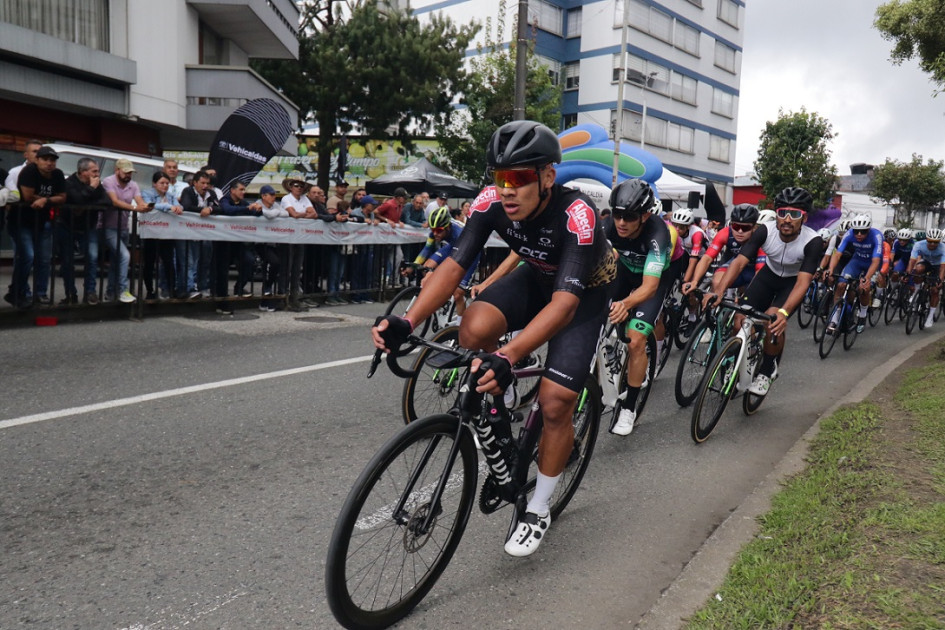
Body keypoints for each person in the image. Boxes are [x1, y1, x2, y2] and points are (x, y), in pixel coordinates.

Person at [372, 120, 615, 557]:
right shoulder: (490, 203)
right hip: (537, 278)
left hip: (583, 294)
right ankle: (496, 414)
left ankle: (538, 507)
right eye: (500, 177)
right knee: (474, 329)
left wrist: (509, 355)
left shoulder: (577, 214)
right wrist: (407, 323)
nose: (506, 190)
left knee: (557, 400)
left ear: (547, 177)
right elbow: (453, 268)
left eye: (519, 179)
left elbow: (564, 306)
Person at [708, 186, 823, 396]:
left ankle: (768, 370)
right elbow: (740, 262)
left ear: (804, 218)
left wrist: (784, 312)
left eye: (795, 214)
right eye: (782, 213)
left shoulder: (813, 241)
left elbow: (803, 282)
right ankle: (740, 359)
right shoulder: (765, 230)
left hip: (791, 283)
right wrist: (720, 290)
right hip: (767, 276)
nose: (787, 219)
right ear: (776, 215)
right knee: (739, 320)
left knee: (773, 322)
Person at [603, 179, 674, 436]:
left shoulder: (658, 234)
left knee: (635, 340)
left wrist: (625, 303)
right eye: (617, 214)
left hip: (653, 281)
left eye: (629, 217)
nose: (621, 222)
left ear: (644, 216)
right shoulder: (608, 226)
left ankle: (629, 407)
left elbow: (649, 288)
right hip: (625, 270)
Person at [10, 145, 65, 308]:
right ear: (37, 160)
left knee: (44, 259)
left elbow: (62, 197)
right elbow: (27, 196)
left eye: (52, 160)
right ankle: (17, 291)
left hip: (43, 221)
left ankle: (41, 293)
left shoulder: (58, 174)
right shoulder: (29, 171)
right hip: (21, 221)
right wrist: (49, 198)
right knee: (27, 256)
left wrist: (44, 200)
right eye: (45, 159)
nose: (49, 163)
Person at [410, 205, 480, 319]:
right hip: (452, 247)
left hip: (469, 251)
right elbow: (426, 249)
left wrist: (437, 273)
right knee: (427, 266)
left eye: (438, 231)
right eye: (433, 230)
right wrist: (413, 265)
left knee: (458, 294)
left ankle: (458, 328)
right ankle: (442, 297)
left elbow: (455, 260)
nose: (435, 233)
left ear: (448, 227)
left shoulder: (459, 233)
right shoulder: (436, 229)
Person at [683, 203, 765, 299]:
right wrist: (695, 281)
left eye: (745, 228)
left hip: (754, 269)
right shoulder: (725, 233)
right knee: (717, 281)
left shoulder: (760, 238)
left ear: (754, 228)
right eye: (736, 226)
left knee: (748, 298)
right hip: (735, 264)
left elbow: (760, 271)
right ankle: (713, 310)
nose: (740, 231)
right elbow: (707, 258)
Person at [61, 156, 108, 305]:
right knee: (67, 261)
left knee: (92, 258)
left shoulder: (97, 184)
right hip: (67, 226)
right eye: (94, 171)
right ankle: (70, 294)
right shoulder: (69, 183)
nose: (97, 174)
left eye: (98, 171)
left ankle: (90, 292)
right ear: (83, 172)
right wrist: (91, 189)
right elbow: (75, 199)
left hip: (89, 226)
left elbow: (107, 201)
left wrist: (87, 200)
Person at [825, 214, 883, 334]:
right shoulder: (849, 234)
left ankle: (862, 315)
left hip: (872, 263)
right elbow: (837, 254)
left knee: (864, 288)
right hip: (856, 261)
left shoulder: (876, 236)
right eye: (856, 232)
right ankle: (834, 319)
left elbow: (876, 261)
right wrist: (830, 269)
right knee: (841, 285)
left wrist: (866, 278)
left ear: (869, 230)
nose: (859, 235)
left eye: (863, 232)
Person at [101, 158, 148, 303]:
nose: (128, 175)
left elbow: (140, 200)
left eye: (130, 173)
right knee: (124, 256)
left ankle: (110, 292)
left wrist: (146, 206)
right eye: (126, 172)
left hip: (123, 227)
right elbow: (114, 201)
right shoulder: (108, 181)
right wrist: (134, 208)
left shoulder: (133, 184)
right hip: (108, 226)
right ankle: (122, 290)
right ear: (117, 171)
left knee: (117, 260)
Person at [211, 180, 262, 313]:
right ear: (232, 190)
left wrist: (257, 210)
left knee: (249, 261)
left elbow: (254, 213)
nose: (243, 192)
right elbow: (228, 210)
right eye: (241, 189)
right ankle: (221, 299)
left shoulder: (243, 202)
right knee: (223, 271)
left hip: (238, 242)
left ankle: (239, 287)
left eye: (244, 190)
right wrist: (247, 209)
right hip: (224, 241)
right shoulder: (225, 200)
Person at [140, 171, 181, 301]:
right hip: (151, 232)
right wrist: (169, 207)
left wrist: (177, 207)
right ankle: (149, 290)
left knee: (169, 262)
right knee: (149, 262)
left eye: (167, 183)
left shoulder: (171, 195)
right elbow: (150, 206)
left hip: (166, 233)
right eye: (162, 183)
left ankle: (170, 288)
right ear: (154, 183)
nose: (165, 186)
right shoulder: (147, 193)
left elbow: (179, 206)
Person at [179, 170, 220, 299]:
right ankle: (189, 288)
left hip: (206, 233)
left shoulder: (211, 193)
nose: (205, 186)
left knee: (205, 261)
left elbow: (219, 207)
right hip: (189, 232)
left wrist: (211, 209)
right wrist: (202, 210)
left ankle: (203, 286)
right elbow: (186, 206)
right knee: (190, 261)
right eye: (202, 183)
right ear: (194, 183)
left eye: (207, 183)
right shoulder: (188, 191)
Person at [905, 228, 945, 328]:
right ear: (926, 239)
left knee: (935, 290)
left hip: (938, 266)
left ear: (939, 241)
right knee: (918, 270)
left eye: (935, 242)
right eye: (930, 241)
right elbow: (912, 261)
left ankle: (930, 316)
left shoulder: (943, 248)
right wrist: (908, 273)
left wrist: (940, 279)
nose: (932, 244)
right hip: (926, 263)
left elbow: (943, 267)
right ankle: (916, 293)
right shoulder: (919, 244)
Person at [256, 184, 287, 311]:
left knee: (273, 268)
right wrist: (275, 213)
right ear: (263, 196)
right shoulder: (257, 204)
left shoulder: (275, 206)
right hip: (259, 242)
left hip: (273, 243)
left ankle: (266, 300)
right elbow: (266, 214)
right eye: (271, 195)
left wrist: (275, 212)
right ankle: (265, 296)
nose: (274, 197)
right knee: (273, 263)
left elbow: (285, 214)